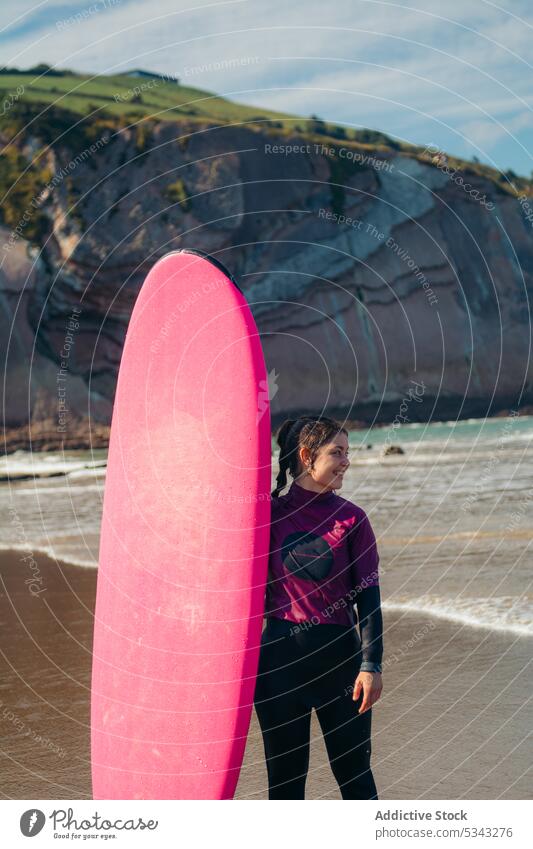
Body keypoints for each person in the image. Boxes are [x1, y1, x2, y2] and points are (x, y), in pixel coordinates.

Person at [254, 416, 383, 800]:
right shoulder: (267, 516)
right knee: (286, 784)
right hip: (279, 665)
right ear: (308, 456)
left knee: (355, 776)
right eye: (337, 452)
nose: (346, 461)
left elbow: (368, 597)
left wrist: (371, 665)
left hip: (341, 664)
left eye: (348, 452)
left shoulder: (353, 519)